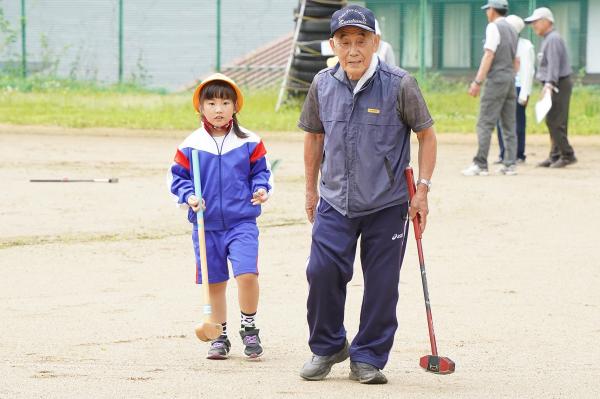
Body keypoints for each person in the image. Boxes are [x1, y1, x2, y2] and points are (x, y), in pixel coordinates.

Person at [298, 5, 437, 385]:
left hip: (388, 204)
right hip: (334, 200)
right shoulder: (322, 84)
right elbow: (313, 137)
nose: (353, 49)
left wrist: (422, 190)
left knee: (382, 283)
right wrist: (310, 190)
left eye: (361, 40)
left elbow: (426, 135)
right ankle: (327, 346)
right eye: (345, 41)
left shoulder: (399, 83)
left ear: (376, 42)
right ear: (333, 45)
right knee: (322, 272)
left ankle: (368, 357)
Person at [168, 73, 273, 360]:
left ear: (235, 106)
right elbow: (177, 179)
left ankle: (249, 326)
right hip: (206, 225)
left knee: (247, 274)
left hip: (242, 222)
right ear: (200, 107)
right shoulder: (191, 145)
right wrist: (188, 196)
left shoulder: (249, 141)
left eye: (225, 102)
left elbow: (261, 172)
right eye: (211, 102)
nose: (218, 108)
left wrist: (261, 188)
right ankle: (220, 334)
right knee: (214, 282)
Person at [463, 0, 518, 176]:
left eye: (488, 10)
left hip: (496, 79)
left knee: (485, 122)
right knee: (509, 124)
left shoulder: (494, 27)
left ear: (493, 10)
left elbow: (489, 54)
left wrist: (477, 82)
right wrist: (510, 76)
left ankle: (480, 164)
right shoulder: (512, 29)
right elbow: (516, 60)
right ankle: (510, 164)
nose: (487, 13)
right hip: (510, 79)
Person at [525, 7, 577, 168]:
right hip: (555, 83)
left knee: (556, 121)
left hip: (557, 83)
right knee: (552, 119)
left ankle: (567, 154)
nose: (534, 26)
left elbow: (554, 65)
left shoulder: (553, 39)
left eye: (536, 22)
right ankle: (555, 155)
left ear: (546, 21)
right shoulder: (549, 38)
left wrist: (549, 84)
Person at [495, 14, 535, 164]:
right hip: (503, 87)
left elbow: (529, 72)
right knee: (501, 123)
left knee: (517, 122)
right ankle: (503, 153)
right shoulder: (501, 44)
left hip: (518, 89)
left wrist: (525, 93)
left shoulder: (526, 46)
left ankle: (519, 154)